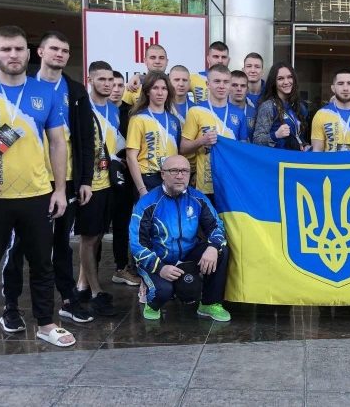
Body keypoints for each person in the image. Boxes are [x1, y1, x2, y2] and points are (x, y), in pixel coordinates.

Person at [0, 25, 75, 361]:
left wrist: (60, 190)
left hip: (37, 194)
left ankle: (46, 324)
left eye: (19, 49)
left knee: (42, 264)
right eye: (6, 49)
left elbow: (57, 143)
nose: (13, 55)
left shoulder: (45, 92)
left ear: (28, 52)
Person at [1, 30, 95, 329]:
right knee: (19, 246)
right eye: (54, 49)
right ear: (39, 52)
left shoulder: (75, 91)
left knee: (61, 244)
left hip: (64, 181)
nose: (60, 54)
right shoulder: (22, 87)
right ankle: (11, 305)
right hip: (28, 182)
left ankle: (68, 299)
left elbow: (85, 138)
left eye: (65, 51)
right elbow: (6, 132)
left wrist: (85, 179)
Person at [130, 155, 231, 322]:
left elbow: (216, 226)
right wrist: (160, 268)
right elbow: (136, 244)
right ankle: (152, 302)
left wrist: (213, 247)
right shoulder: (147, 203)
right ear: (163, 174)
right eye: (174, 171)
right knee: (163, 292)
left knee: (222, 251)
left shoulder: (198, 198)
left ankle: (210, 303)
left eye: (184, 171)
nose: (180, 175)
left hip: (187, 255)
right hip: (158, 259)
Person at [71, 62, 121, 317]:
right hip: (88, 184)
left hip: (108, 182)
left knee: (98, 236)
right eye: (101, 79)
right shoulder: (81, 108)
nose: (107, 84)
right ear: (90, 80)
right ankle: (95, 291)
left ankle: (82, 284)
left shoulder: (114, 109)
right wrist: (82, 181)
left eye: (110, 79)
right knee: (89, 239)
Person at [180, 64, 248, 205]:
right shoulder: (196, 111)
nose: (221, 86)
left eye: (226, 82)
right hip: (205, 183)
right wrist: (202, 141)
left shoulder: (239, 114)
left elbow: (243, 150)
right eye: (217, 81)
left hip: (229, 183)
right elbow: (183, 148)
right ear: (208, 84)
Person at [108, 71, 141, 287]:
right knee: (94, 232)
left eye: (120, 85)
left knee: (122, 223)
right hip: (99, 175)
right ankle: (86, 278)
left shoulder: (131, 112)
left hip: (126, 174)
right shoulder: (94, 109)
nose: (116, 89)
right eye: (113, 84)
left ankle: (121, 268)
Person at [126, 72, 181, 195]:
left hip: (171, 177)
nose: (160, 93)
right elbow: (131, 157)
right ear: (147, 91)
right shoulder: (138, 119)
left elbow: (178, 152)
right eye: (155, 88)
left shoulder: (174, 120)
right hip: (147, 179)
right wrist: (141, 189)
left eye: (164, 88)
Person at [252, 61, 309, 150]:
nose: (286, 82)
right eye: (280, 78)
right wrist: (276, 135)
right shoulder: (268, 106)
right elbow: (257, 140)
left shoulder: (299, 106)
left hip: (296, 157)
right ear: (274, 82)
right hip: (277, 158)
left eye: (289, 77)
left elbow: (298, 136)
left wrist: (305, 145)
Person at [228, 70, 257, 141]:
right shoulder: (220, 110)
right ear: (227, 87)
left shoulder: (255, 113)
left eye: (243, 86)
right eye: (235, 85)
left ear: (247, 89)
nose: (239, 89)